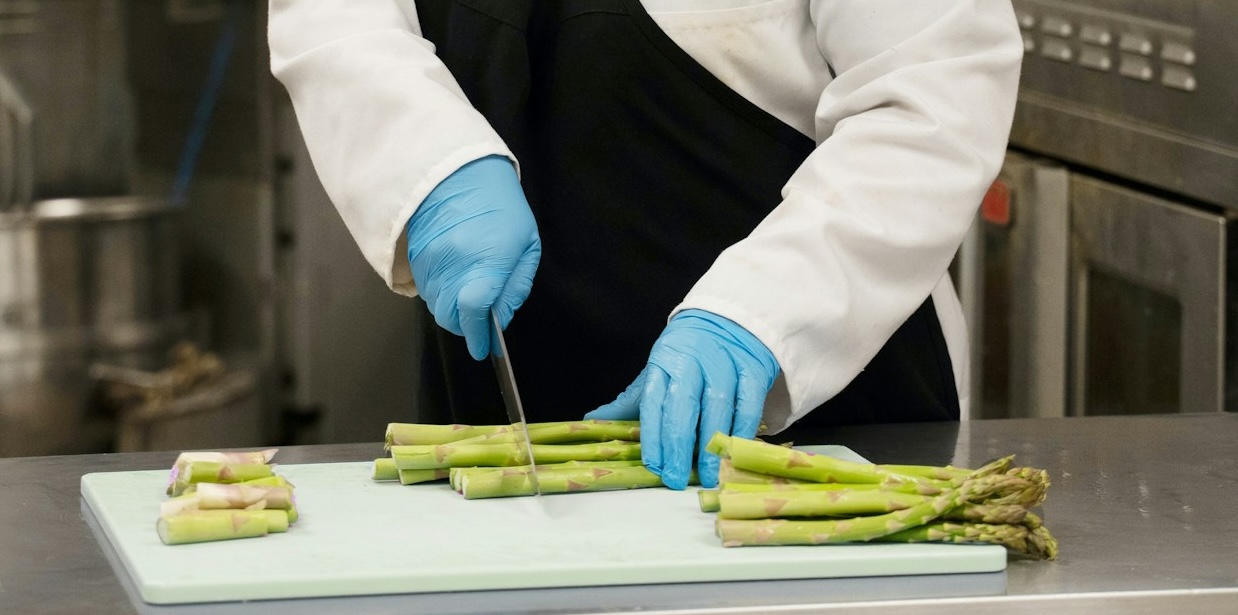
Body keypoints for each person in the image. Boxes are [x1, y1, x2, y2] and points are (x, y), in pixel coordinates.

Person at [269, 0, 1022, 490]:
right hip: (500, 440)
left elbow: (932, 91)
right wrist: (423, 164)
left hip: (818, 429)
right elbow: (338, 16)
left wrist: (762, 316)